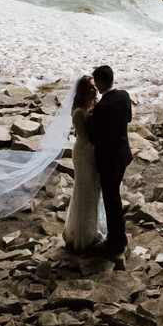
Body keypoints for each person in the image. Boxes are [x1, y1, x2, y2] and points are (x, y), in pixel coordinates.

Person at [85, 64, 132, 260]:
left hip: (109, 160)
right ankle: (119, 238)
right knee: (114, 198)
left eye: (96, 82)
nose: (95, 86)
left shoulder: (102, 108)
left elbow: (94, 137)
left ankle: (116, 242)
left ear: (102, 82)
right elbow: (128, 118)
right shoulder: (124, 95)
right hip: (122, 155)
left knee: (111, 200)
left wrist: (89, 118)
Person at [62, 74, 106, 252]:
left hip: (90, 150)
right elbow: (86, 136)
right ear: (82, 91)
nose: (94, 90)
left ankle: (89, 229)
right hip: (84, 152)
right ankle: (82, 236)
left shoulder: (90, 107)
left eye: (94, 87)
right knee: (84, 191)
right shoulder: (79, 112)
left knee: (92, 191)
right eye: (90, 87)